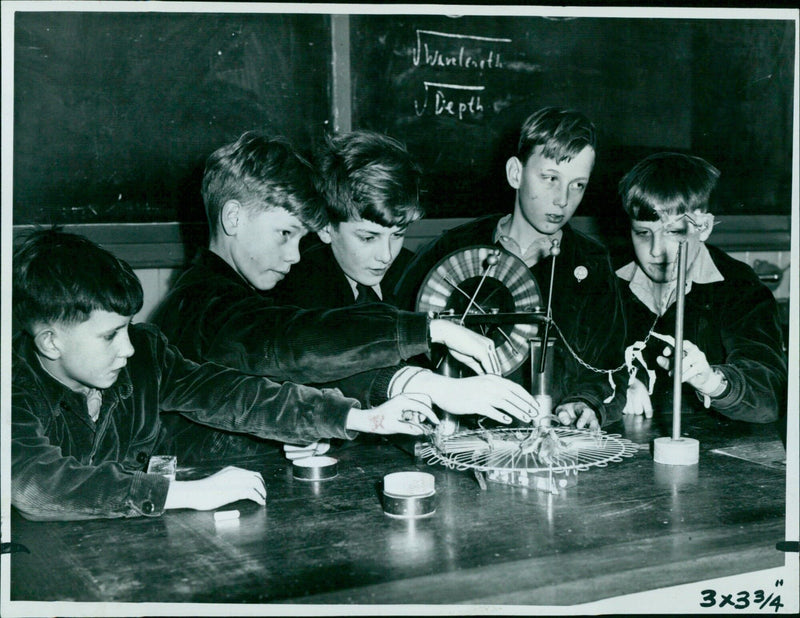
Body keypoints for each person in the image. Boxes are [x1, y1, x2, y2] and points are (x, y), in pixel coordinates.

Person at [151, 132, 537, 460]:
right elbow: (291, 342)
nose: (295, 255)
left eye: (300, 238)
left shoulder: (229, 291)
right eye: (285, 234)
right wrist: (429, 338)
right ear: (233, 218)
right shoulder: (199, 303)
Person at [11, 230, 439, 521]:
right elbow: (34, 485)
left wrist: (360, 417)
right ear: (51, 342)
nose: (127, 347)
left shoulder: (145, 356)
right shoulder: (11, 385)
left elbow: (235, 395)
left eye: (128, 328)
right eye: (110, 336)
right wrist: (186, 494)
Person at [396, 107, 628, 430]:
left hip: (553, 445)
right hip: (460, 442)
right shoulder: (452, 248)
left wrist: (586, 402)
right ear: (515, 173)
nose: (563, 199)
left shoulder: (592, 262)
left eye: (578, 185)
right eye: (550, 179)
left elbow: (609, 368)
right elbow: (398, 335)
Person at [616, 152, 787, 425]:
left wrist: (711, 381)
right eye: (643, 233)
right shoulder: (606, 282)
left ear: (704, 226)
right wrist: (611, 387)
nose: (656, 251)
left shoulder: (742, 290)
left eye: (673, 232)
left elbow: (770, 398)